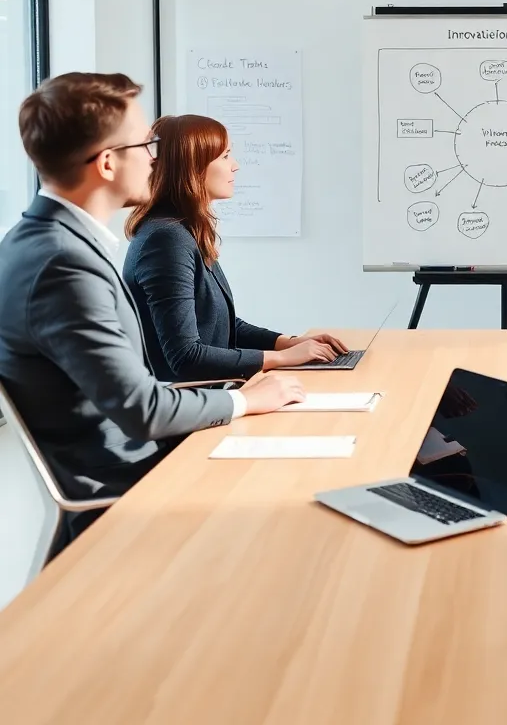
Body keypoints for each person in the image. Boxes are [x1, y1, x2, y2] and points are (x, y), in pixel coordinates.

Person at [0, 73, 306, 556]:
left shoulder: (48, 243)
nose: (153, 157)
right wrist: (248, 401)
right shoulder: (62, 264)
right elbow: (143, 410)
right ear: (106, 163)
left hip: (134, 461)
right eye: (146, 144)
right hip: (123, 484)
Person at [123, 114, 346, 382]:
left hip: (205, 399)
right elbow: (185, 356)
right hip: (183, 410)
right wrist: (281, 360)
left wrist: (288, 343)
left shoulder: (185, 231)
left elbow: (221, 327)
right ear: (193, 165)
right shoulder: (166, 240)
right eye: (226, 156)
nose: (235, 166)